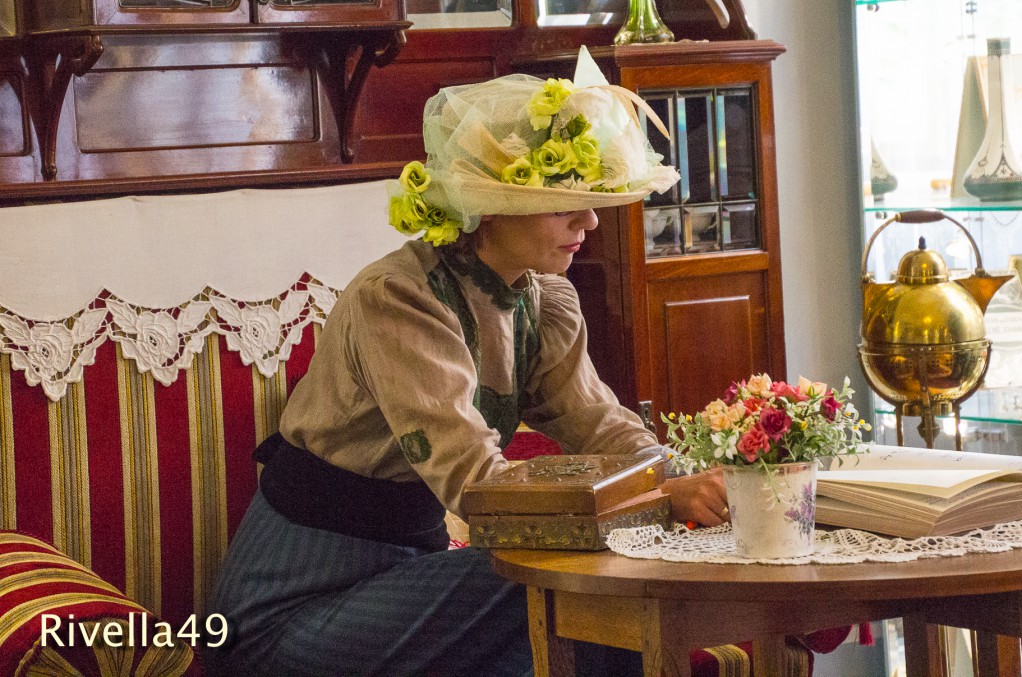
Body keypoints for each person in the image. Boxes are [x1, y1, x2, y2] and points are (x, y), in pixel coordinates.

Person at [204, 47, 728, 677]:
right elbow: (478, 486)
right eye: (562, 202)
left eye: (592, 199)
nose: (590, 220)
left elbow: (598, 422)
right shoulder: (398, 300)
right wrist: (659, 498)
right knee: (545, 574)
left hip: (410, 587)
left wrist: (688, 479)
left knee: (600, 640)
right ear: (490, 207)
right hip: (290, 618)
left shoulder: (545, 300)